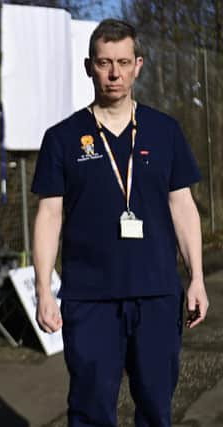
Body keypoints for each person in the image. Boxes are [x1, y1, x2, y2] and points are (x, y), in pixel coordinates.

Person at [31, 19, 209, 427]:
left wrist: (196, 276)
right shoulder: (62, 138)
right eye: (104, 63)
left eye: (123, 62)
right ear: (88, 66)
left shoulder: (164, 131)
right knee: (91, 410)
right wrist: (44, 288)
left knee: (155, 408)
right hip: (90, 299)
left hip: (157, 295)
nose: (114, 73)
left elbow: (182, 205)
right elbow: (49, 214)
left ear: (138, 65)